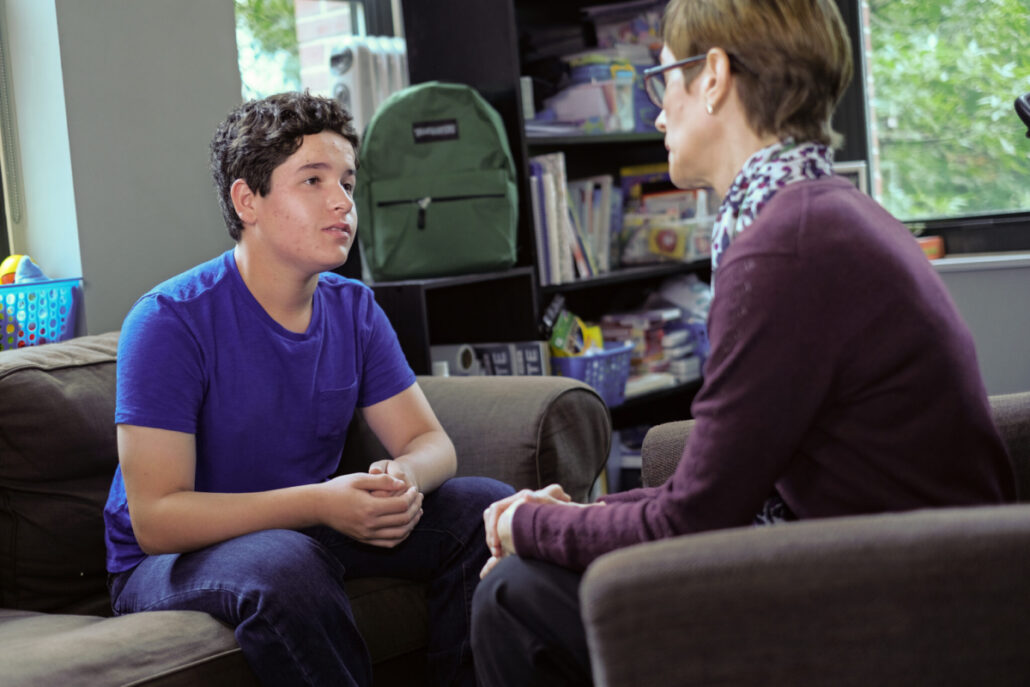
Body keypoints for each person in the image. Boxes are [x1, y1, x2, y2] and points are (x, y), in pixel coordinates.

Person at [470, 1, 1018, 684]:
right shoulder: (822, 212)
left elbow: (693, 518)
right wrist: (578, 515)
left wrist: (530, 526)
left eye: (662, 80)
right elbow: (719, 479)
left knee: (515, 595)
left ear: (714, 76)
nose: (658, 113)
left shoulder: (785, 248)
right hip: (902, 567)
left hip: (897, 598)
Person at [103, 91, 513, 687]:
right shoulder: (169, 320)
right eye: (313, 180)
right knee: (285, 563)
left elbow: (429, 441)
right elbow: (158, 519)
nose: (342, 201)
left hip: (300, 530)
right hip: (169, 562)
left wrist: (403, 479)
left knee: (483, 507)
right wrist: (323, 502)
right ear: (249, 200)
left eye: (347, 181)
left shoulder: (355, 309)